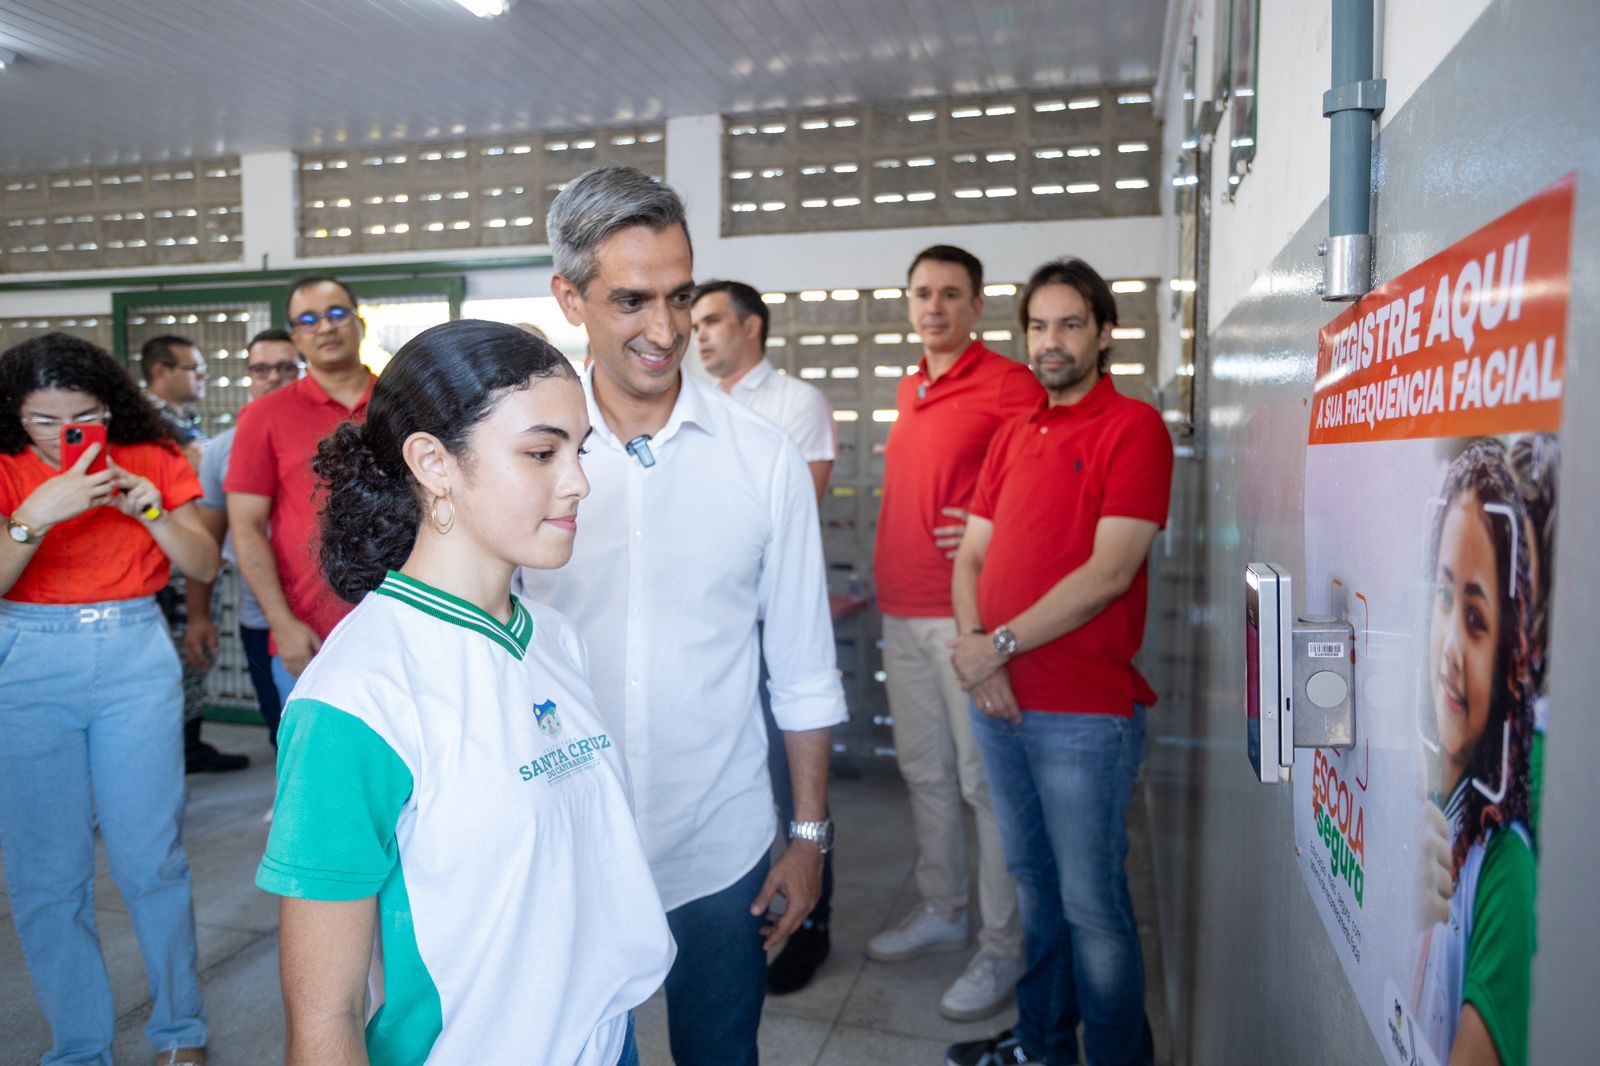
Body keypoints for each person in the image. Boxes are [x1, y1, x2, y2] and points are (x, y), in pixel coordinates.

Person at [258, 319, 672, 1065]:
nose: (578, 481)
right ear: (433, 463)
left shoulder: (554, 638)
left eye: (580, 452)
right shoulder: (356, 699)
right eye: (542, 453)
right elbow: (325, 1019)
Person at [519, 166, 847, 1066]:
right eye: (630, 300)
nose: (664, 331)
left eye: (680, 295)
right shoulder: (519, 457)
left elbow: (804, 664)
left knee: (720, 1054)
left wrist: (809, 836)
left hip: (721, 849)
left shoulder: (763, 460)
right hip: (566, 847)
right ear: (569, 298)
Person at [945, 258, 1173, 1066]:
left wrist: (994, 648)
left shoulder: (1133, 428)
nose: (1051, 341)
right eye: (1038, 326)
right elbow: (971, 557)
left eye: (1070, 324)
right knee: (1036, 892)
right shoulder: (1013, 434)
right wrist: (981, 659)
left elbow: (1109, 574)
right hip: (1000, 704)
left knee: (1092, 907)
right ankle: (1043, 1048)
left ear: (1104, 333)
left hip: (1083, 714)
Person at [0, 332, 220, 1066]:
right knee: (45, 873)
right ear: (16, 413)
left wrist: (152, 513)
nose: (67, 436)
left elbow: (202, 563)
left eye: (86, 418)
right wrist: (37, 514)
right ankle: (78, 1047)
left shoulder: (150, 451)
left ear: (110, 404)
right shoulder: (4, 466)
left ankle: (180, 1031)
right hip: (27, 656)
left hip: (134, 651)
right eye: (44, 421)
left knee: (148, 857)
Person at [867, 243, 1033, 1022]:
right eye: (922, 293)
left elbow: (1046, 470)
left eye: (950, 294)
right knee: (924, 773)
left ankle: (1003, 946)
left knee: (983, 786)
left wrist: (993, 528)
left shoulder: (1007, 383)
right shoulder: (911, 387)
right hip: (900, 608)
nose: (934, 306)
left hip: (963, 618)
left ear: (977, 308)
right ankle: (944, 909)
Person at [692, 277, 839, 995]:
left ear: (752, 326)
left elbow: (792, 522)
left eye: (713, 320)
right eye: (697, 324)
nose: (699, 334)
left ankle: (811, 924)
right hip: (714, 636)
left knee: (794, 786)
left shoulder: (795, 405)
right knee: (735, 787)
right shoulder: (695, 407)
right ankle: (736, 922)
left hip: (770, 629)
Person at [1412, 439, 1537, 1066]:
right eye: (1442, 598)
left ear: (1510, 654)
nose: (1452, 648)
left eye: (1478, 620)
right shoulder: (1430, 803)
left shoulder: (1506, 872)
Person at [226, 276, 375, 707]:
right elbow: (246, 527)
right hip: (310, 634)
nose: (325, 328)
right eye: (308, 320)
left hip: (406, 625)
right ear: (296, 337)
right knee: (321, 769)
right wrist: (280, 622)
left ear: (358, 323)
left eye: (336, 314)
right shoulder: (263, 416)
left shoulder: (400, 401)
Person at [185, 329, 304, 747]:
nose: (272, 377)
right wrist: (199, 615)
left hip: (343, 606)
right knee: (283, 726)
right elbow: (208, 540)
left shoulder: (331, 434)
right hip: (261, 615)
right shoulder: (222, 449)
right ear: (249, 377)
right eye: (261, 369)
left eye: (285, 368)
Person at [141, 334, 248, 773]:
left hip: (195, 560)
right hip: (163, 569)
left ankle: (190, 744)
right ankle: (172, 752)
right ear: (161, 372)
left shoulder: (185, 422)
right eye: (192, 368)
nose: (203, 376)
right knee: (173, 662)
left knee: (194, 655)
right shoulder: (144, 426)